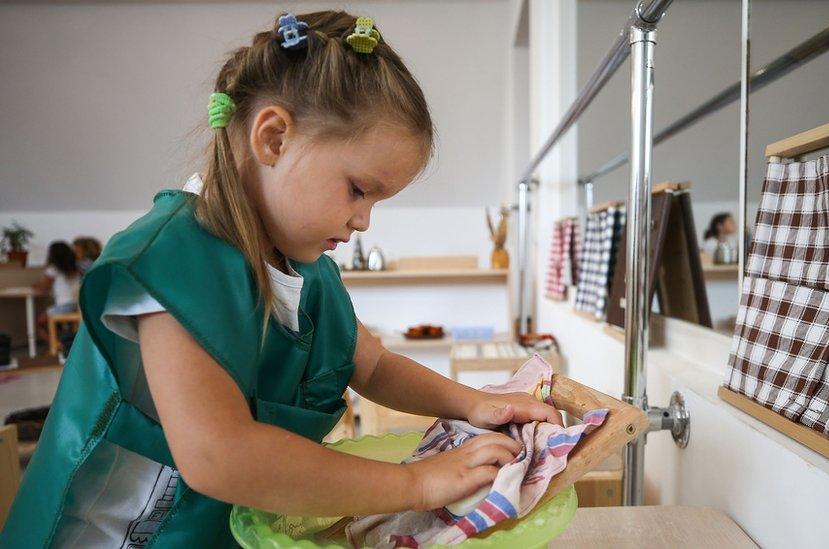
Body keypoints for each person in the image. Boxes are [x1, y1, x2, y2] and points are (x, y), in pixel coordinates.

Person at [0, 11, 561, 547]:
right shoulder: (168, 262)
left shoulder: (308, 271)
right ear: (273, 138)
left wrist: (474, 404)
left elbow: (376, 366)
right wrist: (419, 483)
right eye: (359, 190)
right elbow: (221, 455)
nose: (364, 220)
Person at [33, 241, 81, 345]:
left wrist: (35, 286)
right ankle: (64, 344)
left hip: (63, 307)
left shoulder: (53, 269)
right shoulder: (75, 268)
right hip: (76, 306)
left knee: (39, 324)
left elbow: (43, 287)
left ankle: (55, 345)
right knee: (59, 325)